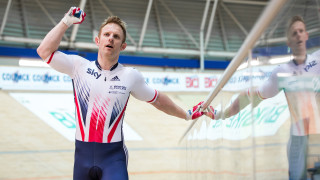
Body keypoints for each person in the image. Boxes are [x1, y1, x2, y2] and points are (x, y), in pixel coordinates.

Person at [37, 7, 204, 180]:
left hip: (112, 159)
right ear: (97, 40)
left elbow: (158, 100)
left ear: (123, 46)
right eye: (107, 34)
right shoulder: (78, 67)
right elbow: (44, 51)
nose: (111, 38)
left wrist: (186, 114)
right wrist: (66, 21)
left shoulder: (130, 76)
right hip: (82, 159)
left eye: (116, 36)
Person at [206, 15, 320, 180]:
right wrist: (222, 114)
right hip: (299, 141)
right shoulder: (282, 72)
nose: (299, 35)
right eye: (294, 33)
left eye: (301, 31)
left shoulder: (318, 60)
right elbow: (250, 97)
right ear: (288, 42)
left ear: (307, 35)